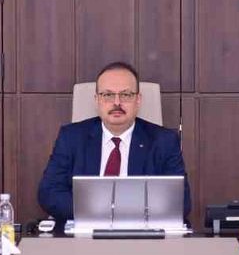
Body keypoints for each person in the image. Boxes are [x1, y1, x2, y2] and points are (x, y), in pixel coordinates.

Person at [37, 62, 190, 222]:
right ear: (97, 100)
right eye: (108, 95)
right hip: (86, 230)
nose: (117, 102)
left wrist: (125, 214)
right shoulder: (71, 138)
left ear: (138, 100)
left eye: (126, 95)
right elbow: (49, 192)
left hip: (142, 231)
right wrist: (96, 213)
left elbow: (181, 201)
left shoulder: (164, 141)